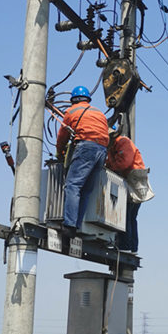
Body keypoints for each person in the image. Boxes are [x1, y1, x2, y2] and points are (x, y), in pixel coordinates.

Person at [56, 86, 109, 237]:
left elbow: (62, 136)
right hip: (102, 150)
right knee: (86, 190)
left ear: (73, 99)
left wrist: (60, 152)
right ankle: (77, 225)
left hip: (86, 147)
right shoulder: (99, 113)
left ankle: (69, 226)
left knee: (73, 186)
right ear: (88, 99)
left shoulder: (71, 111)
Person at [106, 127, 154, 253]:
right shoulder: (113, 147)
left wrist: (109, 167)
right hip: (132, 182)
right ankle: (131, 247)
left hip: (134, 182)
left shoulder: (123, 142)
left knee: (127, 214)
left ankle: (126, 246)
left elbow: (124, 163)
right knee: (130, 216)